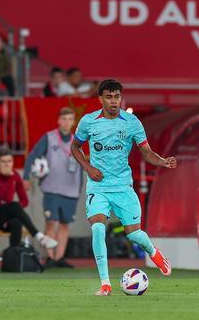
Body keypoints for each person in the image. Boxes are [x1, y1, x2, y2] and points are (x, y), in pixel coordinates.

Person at [71, 79, 175, 296]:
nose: (113, 101)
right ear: (101, 99)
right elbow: (75, 146)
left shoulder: (132, 122)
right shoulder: (89, 121)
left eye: (117, 97)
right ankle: (105, 284)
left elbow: (146, 152)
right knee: (98, 228)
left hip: (123, 187)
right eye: (109, 97)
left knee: (134, 235)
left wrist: (163, 161)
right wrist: (88, 168)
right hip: (98, 186)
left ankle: (154, 253)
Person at [24, 107, 81, 269]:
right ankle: (49, 256)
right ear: (58, 121)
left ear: (73, 122)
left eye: (70, 119)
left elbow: (81, 166)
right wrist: (26, 176)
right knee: (51, 222)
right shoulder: (49, 138)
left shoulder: (77, 141)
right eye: (64, 119)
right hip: (52, 188)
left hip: (71, 190)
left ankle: (59, 258)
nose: (66, 122)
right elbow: (33, 155)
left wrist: (81, 188)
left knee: (64, 224)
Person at [0, 146, 58, 250]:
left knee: (17, 222)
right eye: (4, 162)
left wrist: (14, 210)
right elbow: (7, 198)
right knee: (14, 206)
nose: (7, 165)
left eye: (10, 161)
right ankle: (39, 236)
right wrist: (11, 178)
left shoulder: (15, 175)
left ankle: (13, 254)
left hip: (5, 216)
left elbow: (25, 201)